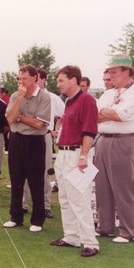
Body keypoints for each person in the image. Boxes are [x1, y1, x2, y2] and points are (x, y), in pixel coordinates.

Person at [50, 65, 99, 257]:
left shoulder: (87, 100)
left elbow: (89, 131)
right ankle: (71, 236)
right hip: (63, 153)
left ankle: (90, 242)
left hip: (77, 153)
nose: (58, 84)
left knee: (80, 198)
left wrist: (83, 156)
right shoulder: (69, 101)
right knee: (65, 198)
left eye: (61, 80)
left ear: (73, 79)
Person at [3, 65, 51, 232]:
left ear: (35, 79)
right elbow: (10, 119)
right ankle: (15, 217)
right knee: (16, 180)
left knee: (36, 181)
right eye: (20, 78)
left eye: (25, 78)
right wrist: (19, 99)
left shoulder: (44, 97)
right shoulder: (16, 95)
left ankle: (37, 220)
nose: (21, 81)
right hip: (16, 140)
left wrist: (20, 117)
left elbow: (39, 124)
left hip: (35, 142)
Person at [95, 54, 134, 243]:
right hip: (103, 139)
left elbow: (122, 115)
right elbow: (95, 115)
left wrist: (106, 114)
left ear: (127, 71)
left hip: (123, 140)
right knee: (102, 186)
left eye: (115, 71)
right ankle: (105, 226)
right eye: (109, 71)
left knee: (123, 187)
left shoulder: (132, 92)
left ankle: (129, 230)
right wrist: (108, 114)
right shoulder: (109, 93)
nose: (111, 75)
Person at [22, 68, 65, 219]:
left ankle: (45, 206)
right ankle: (23, 204)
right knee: (24, 171)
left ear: (43, 80)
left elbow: (63, 116)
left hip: (43, 135)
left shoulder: (52, 97)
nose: (35, 81)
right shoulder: (24, 95)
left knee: (45, 172)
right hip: (24, 135)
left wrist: (56, 130)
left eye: (38, 78)